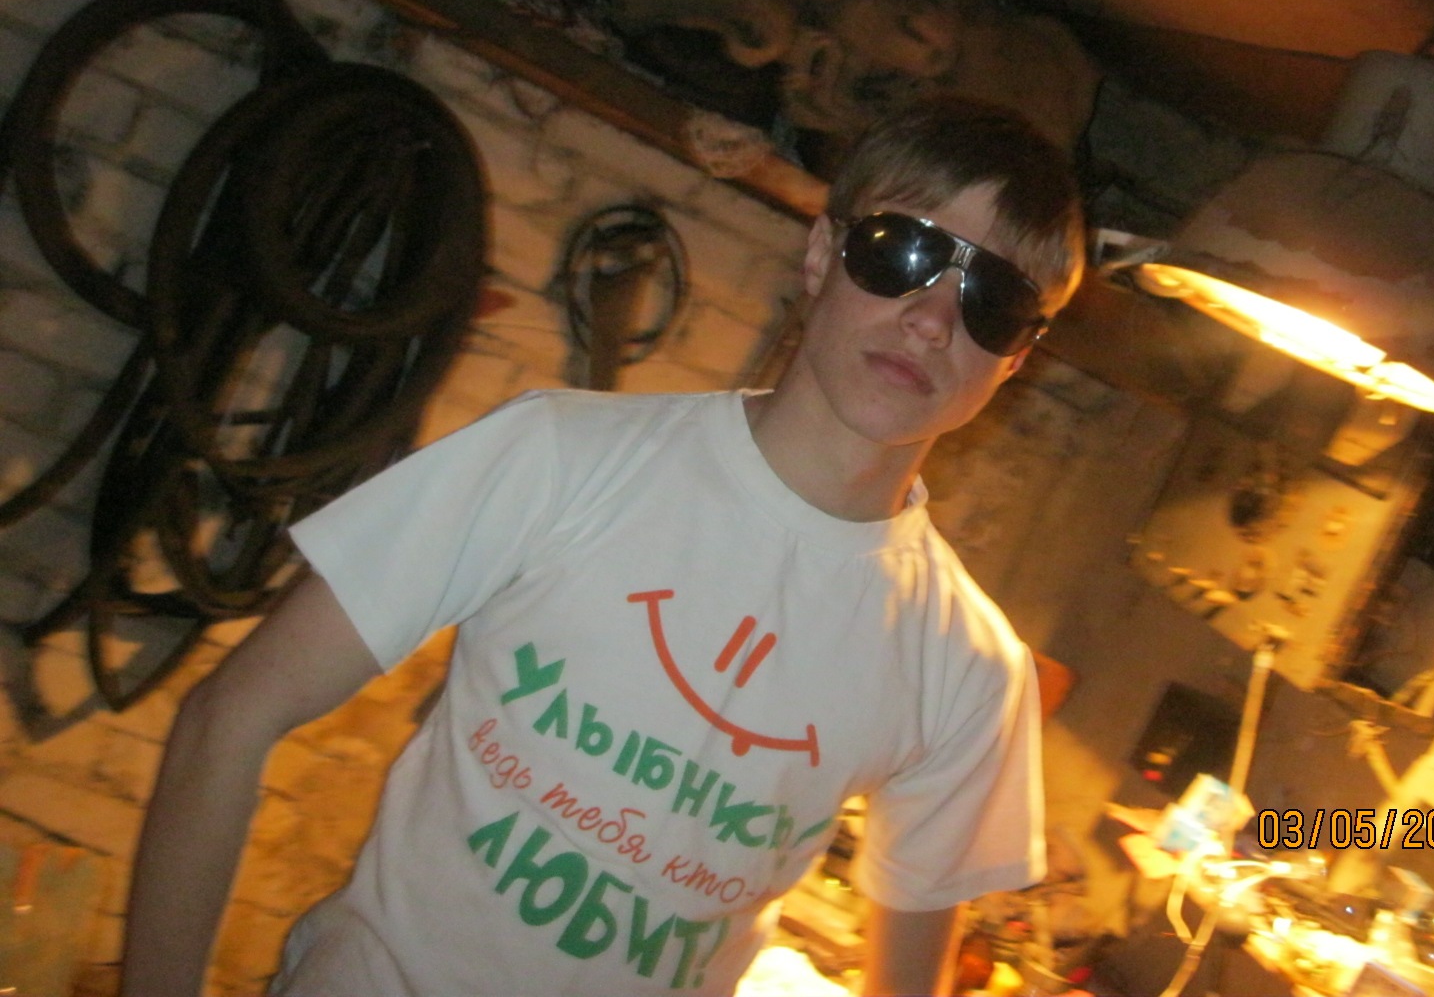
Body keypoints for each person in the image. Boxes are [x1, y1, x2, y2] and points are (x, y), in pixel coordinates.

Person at [121, 94, 1086, 997]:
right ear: (821, 253)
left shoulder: (969, 672)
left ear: (1015, 359)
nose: (932, 319)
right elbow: (230, 717)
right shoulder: (556, 455)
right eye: (903, 250)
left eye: (993, 300)